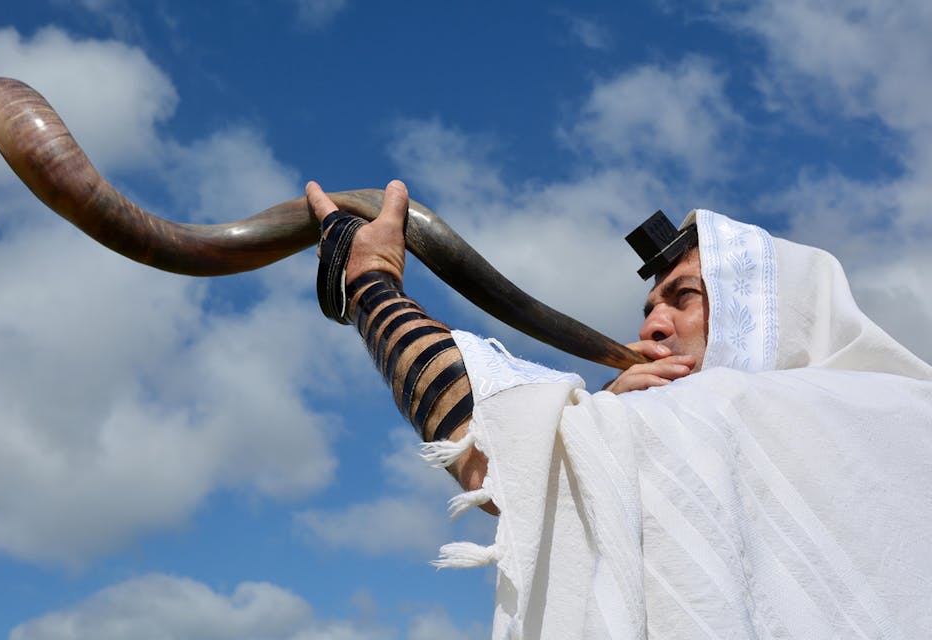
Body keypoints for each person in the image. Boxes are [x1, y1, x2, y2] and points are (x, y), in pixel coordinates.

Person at [307, 180, 932, 639]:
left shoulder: (731, 407)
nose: (652, 326)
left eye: (684, 297)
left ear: (765, 310)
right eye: (649, 308)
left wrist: (369, 282)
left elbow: (489, 447)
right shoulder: (901, 417)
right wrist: (611, 426)